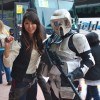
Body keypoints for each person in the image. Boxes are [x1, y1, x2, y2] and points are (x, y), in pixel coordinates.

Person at [41, 9, 95, 100]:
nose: (57, 26)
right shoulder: (52, 39)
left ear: (68, 21)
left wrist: (74, 74)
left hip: (69, 84)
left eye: (60, 22)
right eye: (55, 23)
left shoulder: (77, 38)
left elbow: (89, 60)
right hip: (52, 83)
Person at [3, 11, 44, 100]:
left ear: (37, 24)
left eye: (33, 23)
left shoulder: (39, 40)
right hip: (20, 80)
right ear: (23, 25)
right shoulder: (19, 41)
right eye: (27, 23)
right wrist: (7, 48)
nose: (30, 26)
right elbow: (7, 64)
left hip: (33, 79)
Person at [26, 8, 52, 100]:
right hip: (41, 55)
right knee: (38, 77)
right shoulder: (42, 26)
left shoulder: (33, 27)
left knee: (36, 77)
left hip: (35, 57)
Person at [85, 32, 100, 100]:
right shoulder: (98, 47)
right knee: (90, 88)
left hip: (92, 74)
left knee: (95, 93)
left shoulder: (90, 51)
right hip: (97, 73)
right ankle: (87, 98)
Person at [0, 20, 12, 85]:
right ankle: (9, 79)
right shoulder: (5, 32)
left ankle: (0, 80)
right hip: (5, 50)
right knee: (6, 65)